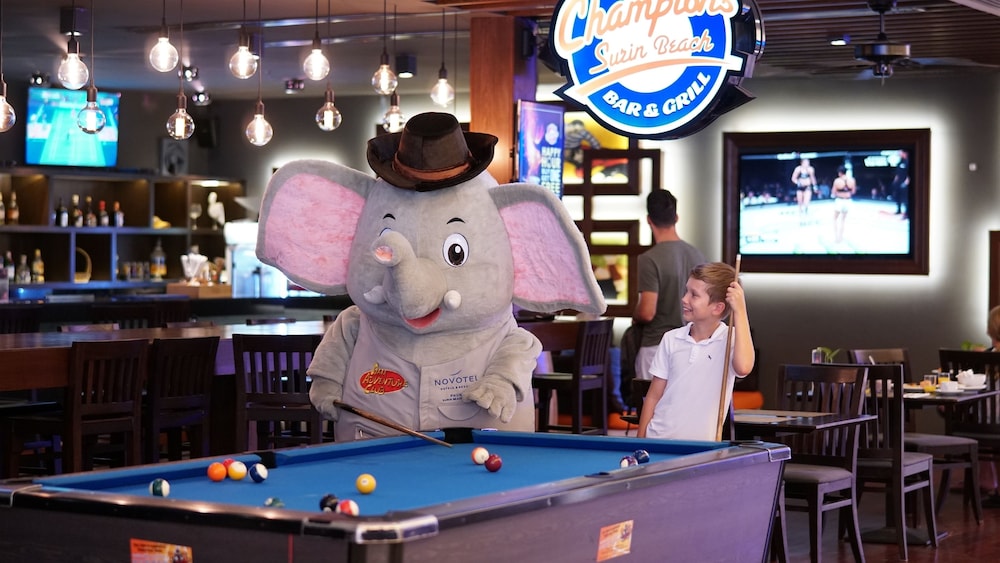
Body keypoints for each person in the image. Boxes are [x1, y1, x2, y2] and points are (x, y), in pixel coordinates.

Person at [637, 262, 755, 441]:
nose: (684, 299)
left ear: (717, 308)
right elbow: (653, 396)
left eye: (694, 295)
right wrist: (640, 440)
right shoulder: (671, 338)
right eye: (686, 291)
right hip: (658, 438)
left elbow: (744, 367)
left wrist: (740, 310)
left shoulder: (730, 340)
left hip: (701, 447)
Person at [632, 189, 706, 385]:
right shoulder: (698, 256)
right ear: (676, 217)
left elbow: (647, 312)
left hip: (656, 347)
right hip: (692, 346)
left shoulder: (649, 259)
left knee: (650, 403)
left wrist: (635, 314)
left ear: (648, 220)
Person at [831, 166, 856, 244]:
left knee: (835, 219)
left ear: (840, 173)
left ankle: (837, 238)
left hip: (839, 200)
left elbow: (833, 192)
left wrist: (840, 192)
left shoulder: (837, 181)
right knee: (843, 220)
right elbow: (853, 192)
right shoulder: (852, 180)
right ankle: (841, 237)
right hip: (848, 201)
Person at [790, 157, 816, 222]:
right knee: (800, 202)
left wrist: (815, 186)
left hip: (807, 187)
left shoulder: (810, 169)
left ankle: (806, 212)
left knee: (806, 202)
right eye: (806, 163)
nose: (807, 164)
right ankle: (801, 215)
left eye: (808, 163)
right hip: (800, 187)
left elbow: (813, 178)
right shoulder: (798, 169)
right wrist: (798, 183)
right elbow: (793, 178)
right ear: (802, 163)